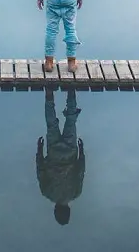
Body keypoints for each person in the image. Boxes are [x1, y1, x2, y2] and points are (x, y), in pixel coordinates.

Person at [36, 87, 86, 225]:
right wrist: (39, 150)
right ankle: (49, 94)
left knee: (71, 120)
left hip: (70, 151)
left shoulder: (76, 193)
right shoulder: (47, 193)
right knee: (51, 124)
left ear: (69, 210)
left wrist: (81, 151)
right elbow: (40, 171)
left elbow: (80, 171)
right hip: (53, 152)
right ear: (55, 210)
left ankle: (71, 90)